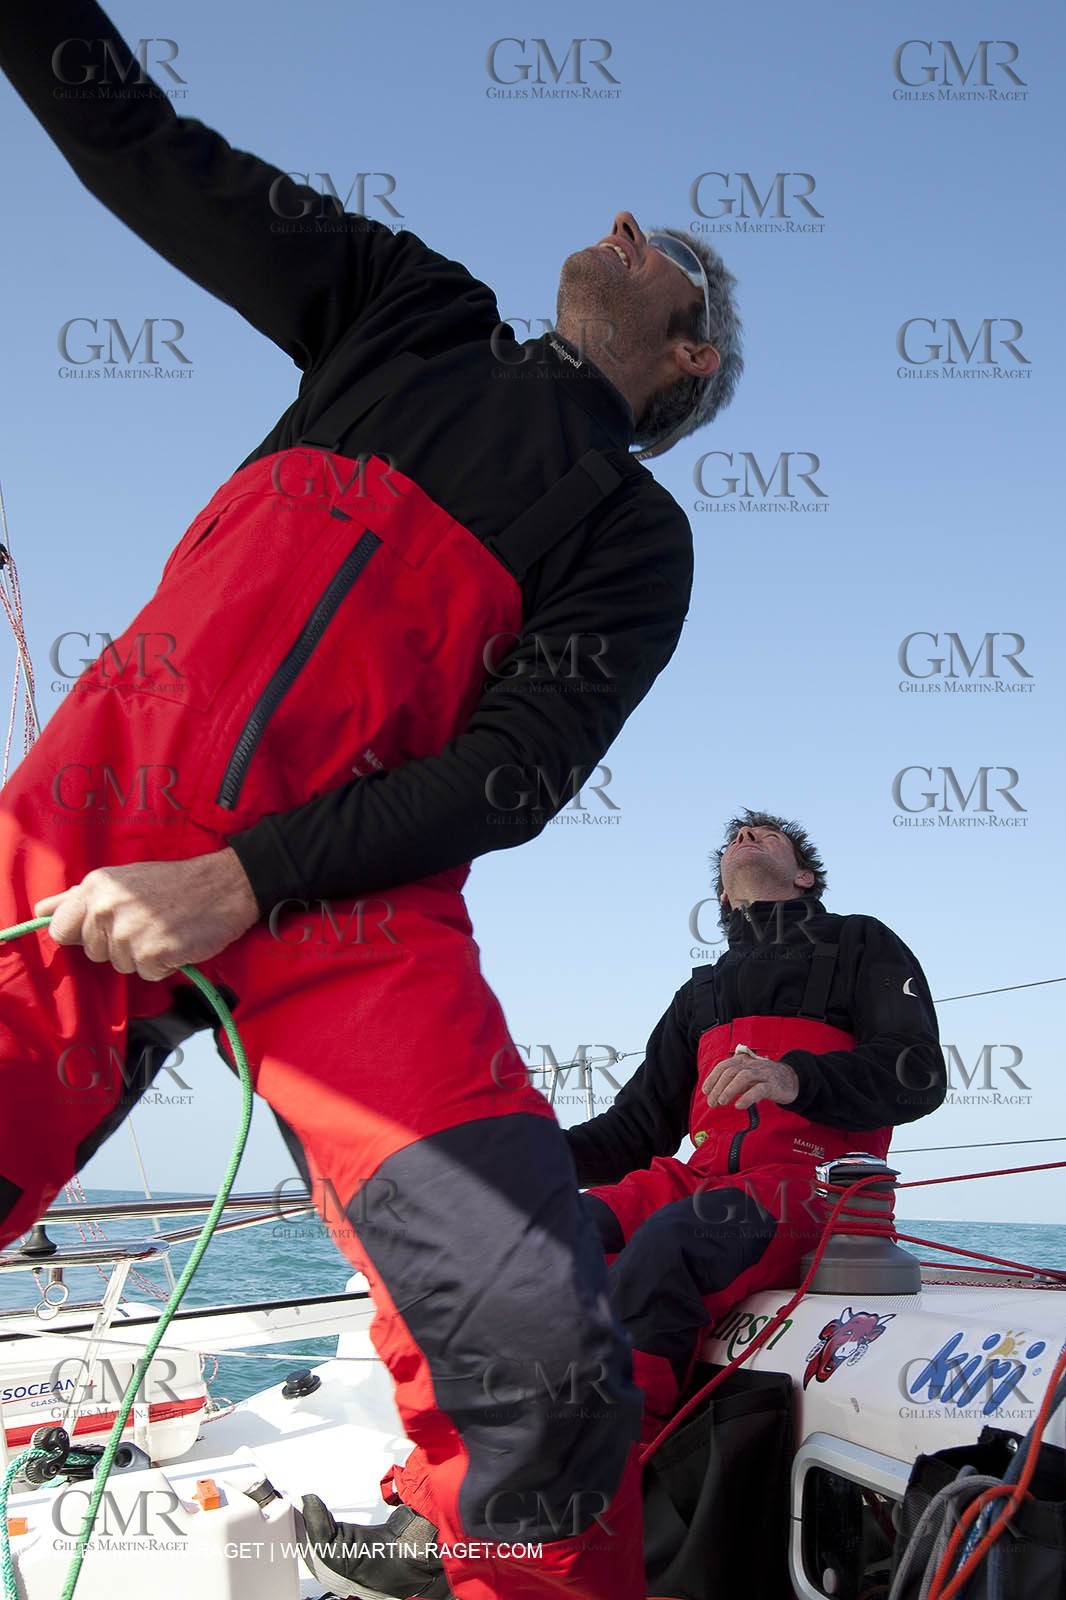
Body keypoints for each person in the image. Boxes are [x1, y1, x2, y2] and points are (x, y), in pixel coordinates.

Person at [0, 5, 742, 1597]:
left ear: (688, 358)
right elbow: (143, 149)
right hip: (96, 815)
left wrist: (245, 878)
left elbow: (509, 776)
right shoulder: (403, 310)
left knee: (544, 1340)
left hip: (349, 901)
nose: (620, 221)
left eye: (667, 250)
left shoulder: (634, 535)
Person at [567, 810, 947, 1443]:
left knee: (670, 1242)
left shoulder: (862, 943)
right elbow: (636, 1129)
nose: (745, 838)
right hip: (697, 1181)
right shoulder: (699, 995)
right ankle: (459, 1482)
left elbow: (918, 1073)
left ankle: (604, 1476)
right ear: (721, 891)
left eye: (768, 836)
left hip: (814, 1189)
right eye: (735, 839)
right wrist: (519, 1153)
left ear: (804, 876)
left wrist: (797, 1079)